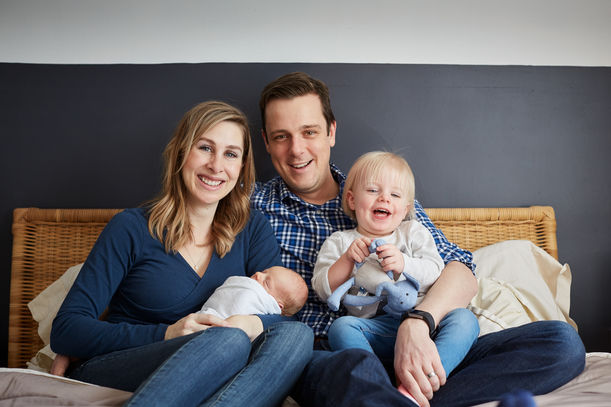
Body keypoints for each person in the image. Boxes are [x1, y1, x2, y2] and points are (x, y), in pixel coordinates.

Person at [251, 72, 585, 407]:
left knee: (561, 342)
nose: (296, 150)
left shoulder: (386, 192)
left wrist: (418, 323)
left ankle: (405, 395)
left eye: (309, 132)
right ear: (266, 141)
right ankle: (401, 395)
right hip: (331, 353)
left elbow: (461, 270)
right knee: (349, 374)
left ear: (331, 131)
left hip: (420, 338)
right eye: (281, 136)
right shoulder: (252, 208)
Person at [50, 101, 313, 407]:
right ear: (180, 153)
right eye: (204, 148)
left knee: (298, 337)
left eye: (230, 154)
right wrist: (168, 333)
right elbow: (67, 328)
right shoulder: (131, 228)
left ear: (242, 167)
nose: (216, 166)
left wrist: (252, 325)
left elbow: (277, 316)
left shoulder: (252, 229)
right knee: (226, 340)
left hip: (220, 361)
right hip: (123, 363)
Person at [312, 151, 479, 383]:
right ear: (351, 199)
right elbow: (323, 289)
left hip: (425, 329)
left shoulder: (412, 233)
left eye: (395, 194)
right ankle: (378, 384)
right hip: (375, 331)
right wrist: (347, 260)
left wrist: (404, 263)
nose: (384, 199)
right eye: (372, 190)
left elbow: (435, 270)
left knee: (465, 320)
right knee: (341, 328)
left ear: (406, 208)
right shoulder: (340, 241)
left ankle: (421, 383)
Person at [198, 265, 308, 318]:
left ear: (277, 306)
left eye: (266, 283)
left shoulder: (262, 305)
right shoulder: (243, 284)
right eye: (264, 272)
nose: (258, 274)